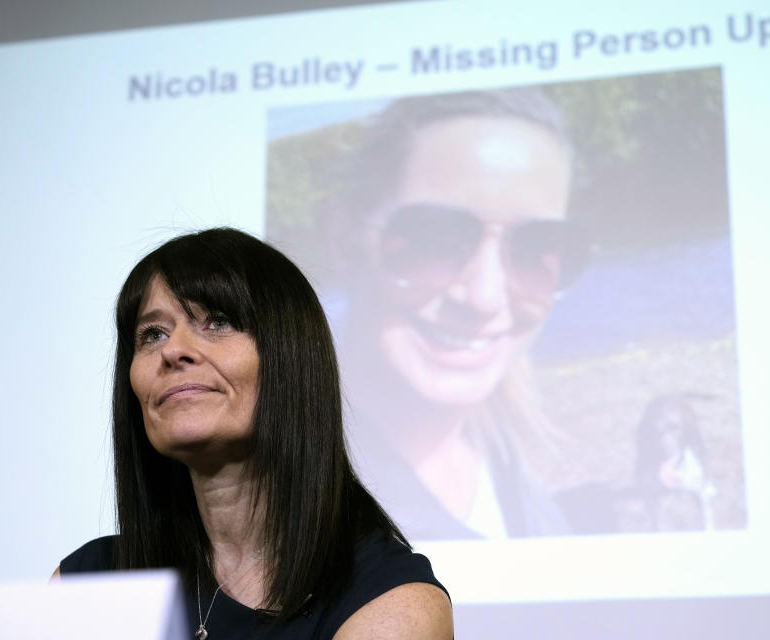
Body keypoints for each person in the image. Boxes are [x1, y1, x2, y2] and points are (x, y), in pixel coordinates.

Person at [53, 228, 453, 639]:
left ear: (289, 359)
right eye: (152, 334)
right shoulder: (86, 585)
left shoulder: (393, 603)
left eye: (218, 322)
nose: (172, 350)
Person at [315, 88, 594, 539]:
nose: (484, 298)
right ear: (343, 234)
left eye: (538, 245)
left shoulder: (513, 477)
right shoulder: (285, 509)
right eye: (433, 238)